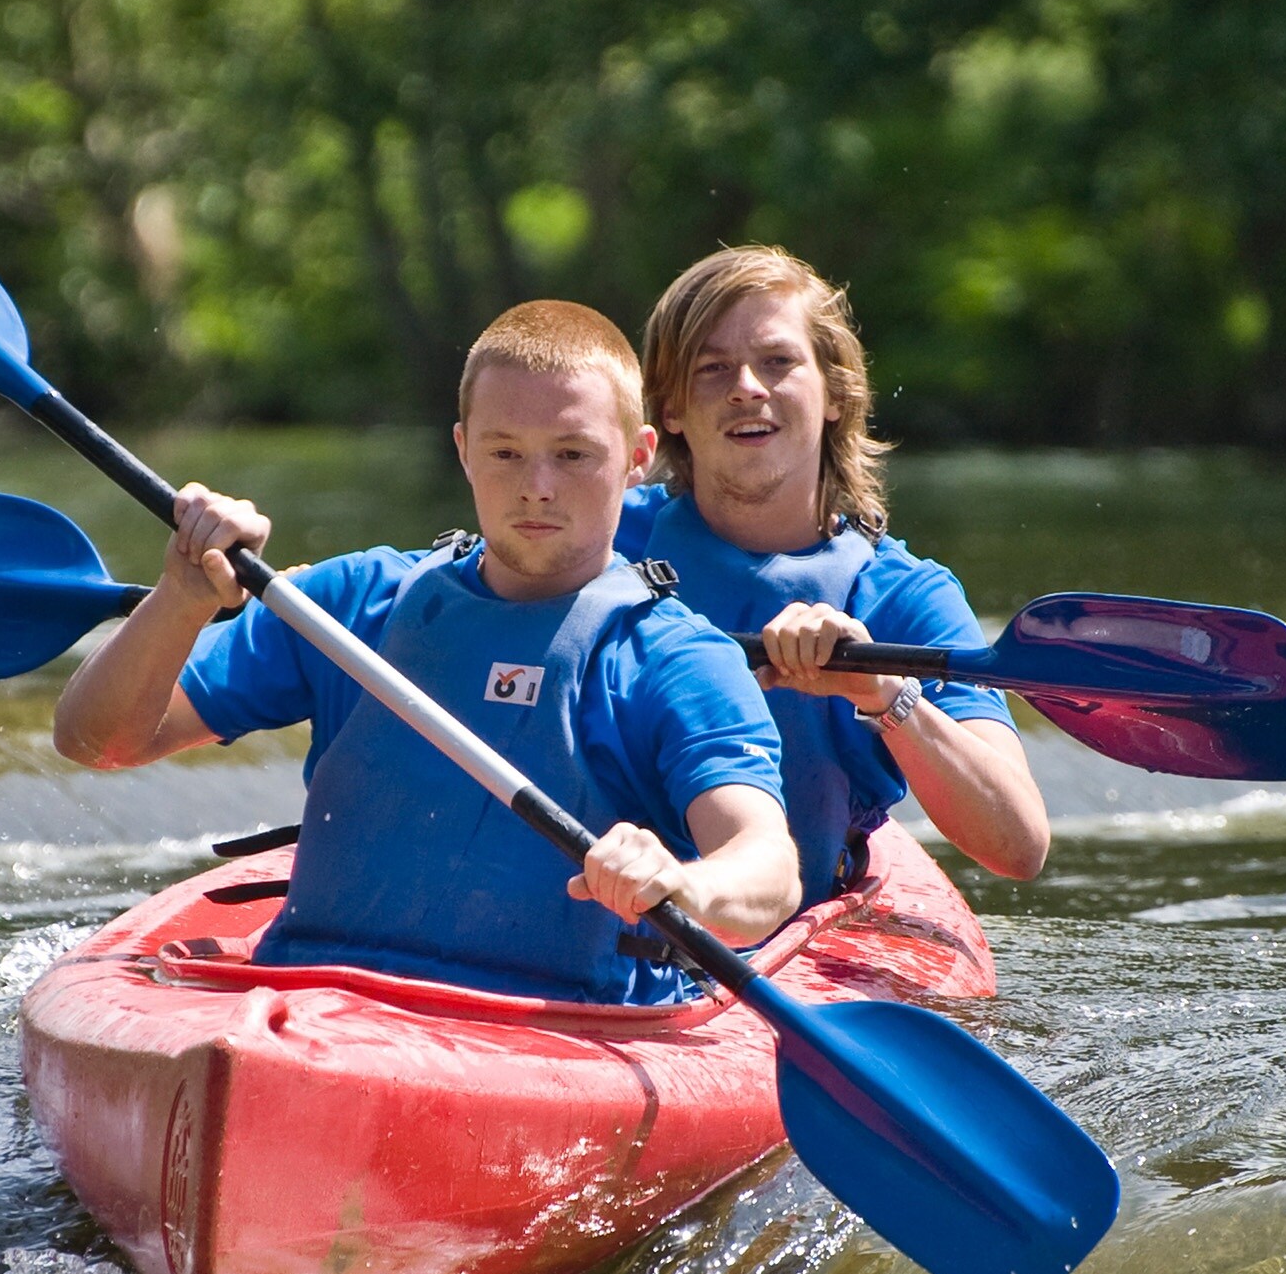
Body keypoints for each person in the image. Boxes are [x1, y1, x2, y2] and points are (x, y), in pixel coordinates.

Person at [52, 300, 801, 1007]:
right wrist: (182, 595)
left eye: (573, 454)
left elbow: (767, 869)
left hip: (555, 1021)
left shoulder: (679, 659)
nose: (537, 488)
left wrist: (681, 884)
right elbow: (97, 740)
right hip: (313, 996)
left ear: (638, 458)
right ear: (463, 450)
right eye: (505, 452)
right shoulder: (349, 604)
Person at [621, 247, 1050, 892]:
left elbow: (1020, 845)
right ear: (671, 409)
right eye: (712, 368)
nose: (746, 387)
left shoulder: (904, 597)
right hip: (600, 900)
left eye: (778, 362)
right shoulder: (596, 538)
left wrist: (885, 695)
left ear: (834, 395)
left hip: (794, 924)